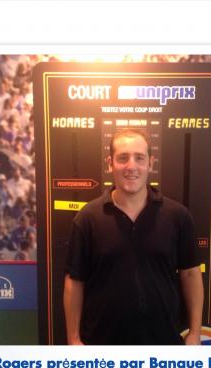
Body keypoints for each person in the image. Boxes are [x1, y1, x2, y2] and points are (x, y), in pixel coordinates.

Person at [64, 129, 203, 345]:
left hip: (163, 343)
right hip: (102, 346)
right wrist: (73, 339)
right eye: (123, 158)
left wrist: (195, 332)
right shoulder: (87, 218)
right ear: (110, 163)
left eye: (139, 158)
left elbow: (191, 274)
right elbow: (74, 281)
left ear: (151, 163)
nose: (131, 166)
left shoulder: (178, 216)